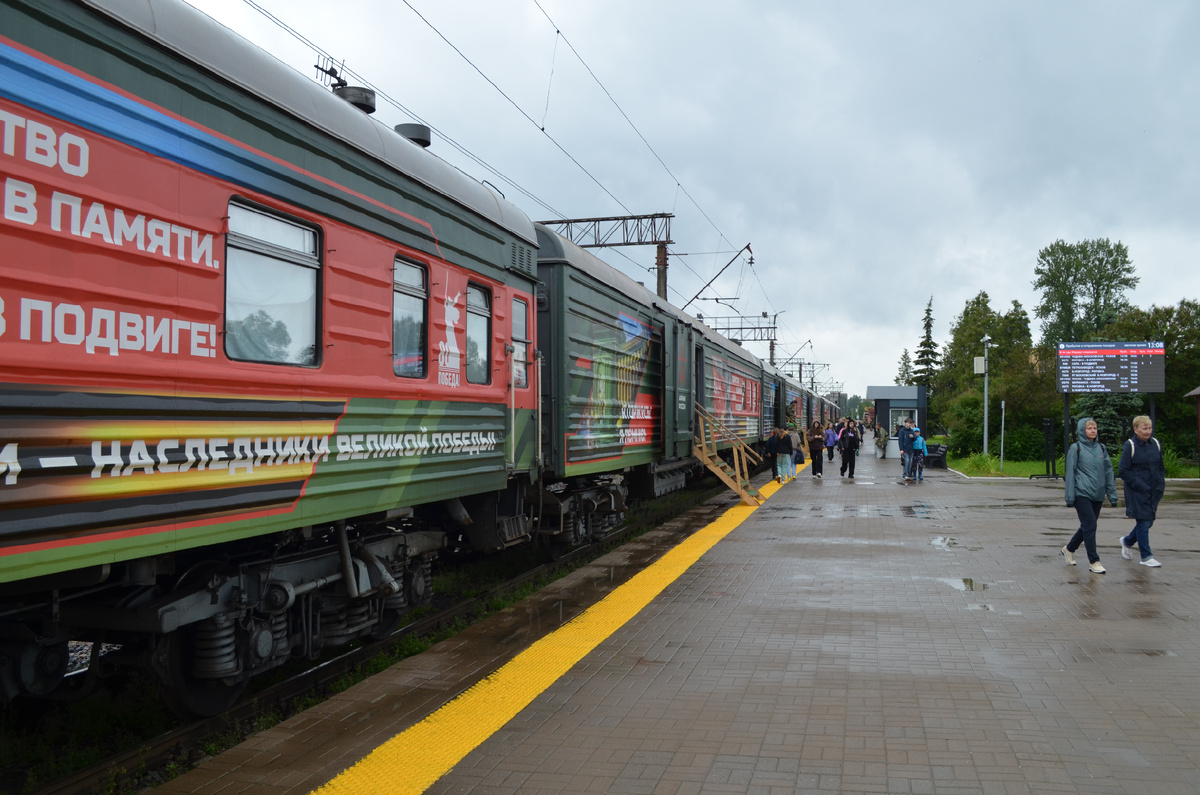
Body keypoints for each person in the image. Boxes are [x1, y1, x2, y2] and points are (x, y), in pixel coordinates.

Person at [1062, 417, 1119, 574]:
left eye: (1094, 428)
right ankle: (1094, 561)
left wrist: (1112, 495)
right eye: (1089, 428)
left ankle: (1069, 549)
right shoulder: (1076, 448)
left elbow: (1108, 472)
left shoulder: (1101, 448)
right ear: (1082, 431)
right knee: (1091, 525)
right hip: (1082, 494)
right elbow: (1070, 473)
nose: (1093, 430)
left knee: (1087, 525)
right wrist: (1070, 497)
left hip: (1098, 494)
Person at [1117, 415, 1166, 567]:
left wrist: (1160, 483)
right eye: (1144, 428)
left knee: (1148, 521)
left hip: (1154, 490)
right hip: (1137, 492)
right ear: (1136, 429)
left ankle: (1127, 541)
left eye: (1149, 428)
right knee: (1143, 522)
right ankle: (1146, 556)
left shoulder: (1155, 444)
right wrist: (1138, 484)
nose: (1148, 431)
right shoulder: (1130, 445)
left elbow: (1160, 466)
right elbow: (1123, 470)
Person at [897, 417, 918, 482]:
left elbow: (915, 438)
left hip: (910, 449)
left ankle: (908, 474)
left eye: (910, 423)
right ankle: (905, 474)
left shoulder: (911, 431)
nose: (909, 424)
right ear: (905, 423)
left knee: (910, 462)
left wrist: (913, 437)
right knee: (906, 462)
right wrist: (901, 449)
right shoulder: (902, 431)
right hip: (905, 449)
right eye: (908, 423)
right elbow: (900, 440)